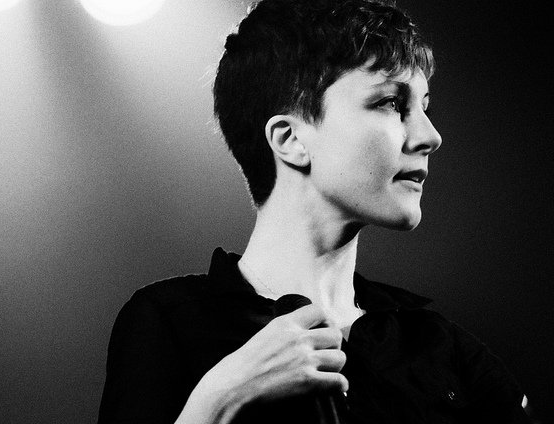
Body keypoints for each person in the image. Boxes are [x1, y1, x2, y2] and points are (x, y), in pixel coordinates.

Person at [98, 0, 530, 423]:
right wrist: (221, 397)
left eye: (425, 107)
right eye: (392, 103)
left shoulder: (442, 347)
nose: (430, 136)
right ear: (290, 140)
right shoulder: (169, 321)